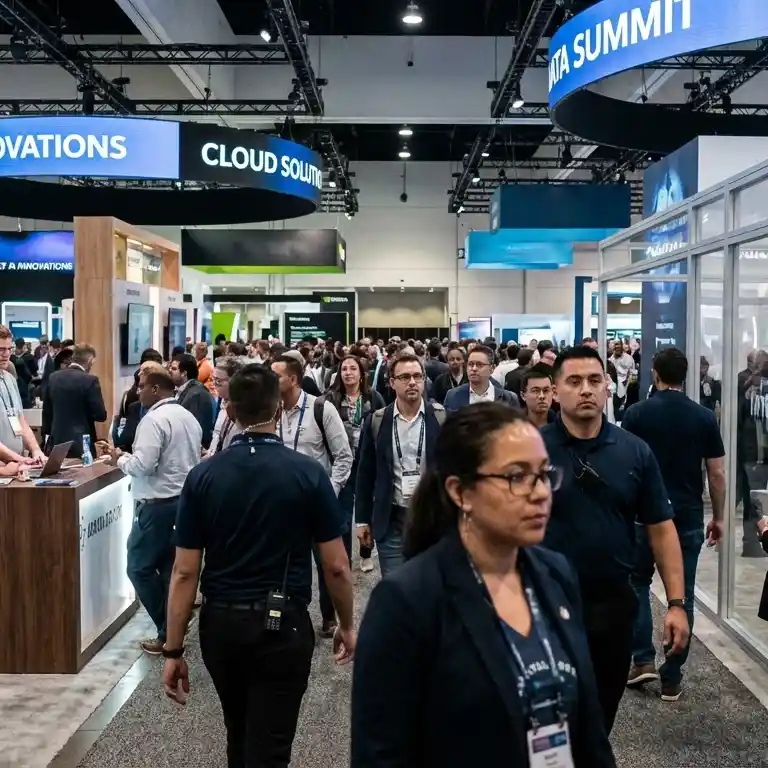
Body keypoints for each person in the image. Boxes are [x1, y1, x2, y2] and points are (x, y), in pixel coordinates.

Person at [351, 403, 616, 768]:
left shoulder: (555, 575)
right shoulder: (408, 601)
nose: (540, 493)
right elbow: (380, 754)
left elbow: (589, 733)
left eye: (543, 475)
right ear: (461, 492)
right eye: (516, 477)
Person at [163, 364, 355, 767]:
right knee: (271, 745)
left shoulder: (202, 477)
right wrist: (347, 624)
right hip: (284, 625)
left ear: (229, 411)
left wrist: (173, 648)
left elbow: (184, 572)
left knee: (239, 733)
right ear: (279, 410)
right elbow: (336, 565)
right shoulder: (307, 473)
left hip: (221, 626)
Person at [540, 345, 688, 733]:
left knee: (599, 718)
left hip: (611, 609)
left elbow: (661, 526)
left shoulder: (634, 451)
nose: (586, 389)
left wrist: (676, 603)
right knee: (545, 722)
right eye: (574, 381)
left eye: (594, 380)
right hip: (542, 608)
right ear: (555, 391)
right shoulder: (530, 449)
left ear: (608, 387)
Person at [622, 348, 725, 701]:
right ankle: (672, 676)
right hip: (687, 515)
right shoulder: (703, 417)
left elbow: (626, 465)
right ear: (686, 376)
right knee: (682, 596)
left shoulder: (636, 414)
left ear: (654, 373)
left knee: (636, 582)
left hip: (643, 515)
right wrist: (720, 516)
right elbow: (717, 473)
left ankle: (642, 659)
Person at [109, 367, 202, 654]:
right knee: (167, 571)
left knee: (138, 568)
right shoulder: (187, 417)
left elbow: (142, 466)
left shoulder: (153, 420)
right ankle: (169, 631)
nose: (137, 392)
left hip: (156, 507)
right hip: (182, 504)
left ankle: (170, 625)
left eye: (141, 387)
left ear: (155, 389)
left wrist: (119, 459)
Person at [271, 354, 353, 637]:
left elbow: (344, 456)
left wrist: (329, 492)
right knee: (289, 563)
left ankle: (331, 617)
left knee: (327, 562)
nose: (272, 381)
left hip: (318, 501)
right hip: (284, 503)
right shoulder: (272, 411)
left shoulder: (321, 409)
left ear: (293, 379)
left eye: (277, 376)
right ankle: (293, 612)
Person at [355, 353, 445, 577]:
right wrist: (363, 520)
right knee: (397, 589)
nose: (412, 382)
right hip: (392, 518)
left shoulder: (442, 418)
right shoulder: (377, 421)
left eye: (417, 376)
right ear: (392, 382)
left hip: (433, 518)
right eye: (404, 377)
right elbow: (366, 474)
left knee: (433, 587)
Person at [326, 354, 386, 573]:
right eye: (344, 369)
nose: (348, 373)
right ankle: (344, 557)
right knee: (342, 514)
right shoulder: (332, 399)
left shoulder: (373, 397)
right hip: (340, 463)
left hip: (366, 462)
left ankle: (366, 552)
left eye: (353, 369)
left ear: (361, 374)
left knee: (365, 512)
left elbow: (382, 427)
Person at [42, 343, 107, 458]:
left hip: (57, 441)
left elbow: (47, 412)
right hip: (82, 444)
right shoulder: (90, 380)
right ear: (90, 360)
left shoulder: (53, 377)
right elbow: (100, 415)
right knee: (84, 475)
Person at [0, 325, 46, 466]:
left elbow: (19, 420)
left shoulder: (10, 379)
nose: (6, 354)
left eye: (9, 349)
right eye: (1, 349)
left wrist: (36, 450)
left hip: (17, 464)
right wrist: (18, 459)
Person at [443, 344, 519, 410]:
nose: (474, 368)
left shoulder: (508, 398)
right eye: (470, 364)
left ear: (492, 368)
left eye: (480, 365)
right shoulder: (452, 395)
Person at [170, 353, 215, 450]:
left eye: (174, 369)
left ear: (184, 373)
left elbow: (199, 429)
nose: (169, 371)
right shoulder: (184, 391)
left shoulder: (198, 395)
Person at [207, 356, 245, 456]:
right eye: (213, 379)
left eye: (218, 381)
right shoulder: (222, 403)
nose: (214, 384)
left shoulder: (245, 410)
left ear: (235, 381)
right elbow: (217, 436)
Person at [520, 364, 556, 429]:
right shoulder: (514, 427)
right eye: (535, 391)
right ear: (523, 395)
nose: (542, 396)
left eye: (546, 390)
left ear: (553, 392)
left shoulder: (564, 426)